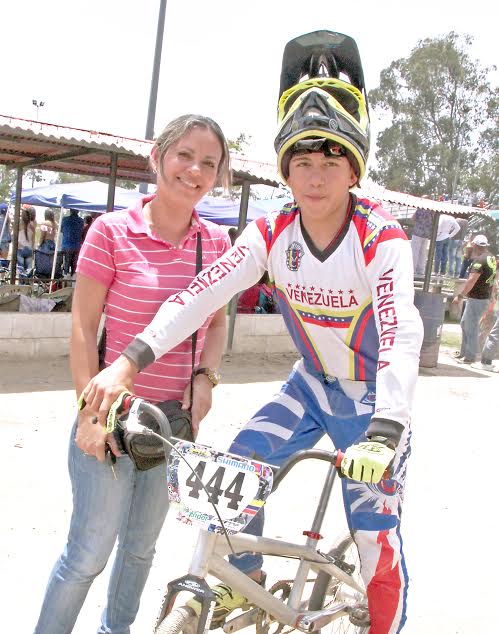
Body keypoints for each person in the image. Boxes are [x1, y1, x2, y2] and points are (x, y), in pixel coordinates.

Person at [81, 61, 424, 634]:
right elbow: (199, 296)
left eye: (331, 162)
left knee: (373, 534)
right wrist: (127, 361)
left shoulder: (378, 237)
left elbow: (400, 332)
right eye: (303, 164)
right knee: (237, 468)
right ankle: (249, 582)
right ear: (286, 172)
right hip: (311, 385)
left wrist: (387, 429)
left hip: (371, 402)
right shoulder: (270, 233)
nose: (316, 178)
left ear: (354, 170)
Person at [32, 114, 232, 634]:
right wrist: (89, 416)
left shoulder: (215, 244)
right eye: (184, 155)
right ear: (158, 157)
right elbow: (82, 330)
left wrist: (207, 377)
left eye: (208, 163)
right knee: (87, 555)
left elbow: (217, 324)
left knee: (140, 552)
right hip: (112, 418)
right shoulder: (111, 232)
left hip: (175, 426)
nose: (194, 170)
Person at [452, 235, 497, 364]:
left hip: (477, 298)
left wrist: (460, 296)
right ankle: (464, 353)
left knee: (470, 326)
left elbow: (471, 280)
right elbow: (493, 277)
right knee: (465, 324)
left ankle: (469, 356)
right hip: (483, 297)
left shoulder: (479, 261)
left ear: (476, 246)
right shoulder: (490, 258)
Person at [60, 208, 84, 276]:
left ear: (70, 211)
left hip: (66, 245)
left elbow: (61, 230)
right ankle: (73, 281)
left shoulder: (65, 219)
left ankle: (66, 280)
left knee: (66, 265)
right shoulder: (81, 221)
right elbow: (81, 232)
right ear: (78, 211)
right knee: (74, 266)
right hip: (77, 246)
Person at [410, 207, 433, 276]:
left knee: (414, 252)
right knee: (423, 253)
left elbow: (412, 218)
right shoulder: (432, 210)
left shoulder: (419, 209)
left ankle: (413, 269)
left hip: (417, 232)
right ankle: (421, 270)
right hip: (426, 234)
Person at [16, 204, 36, 271]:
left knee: (21, 269)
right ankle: (28, 281)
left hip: (20, 249)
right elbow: (33, 240)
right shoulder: (32, 227)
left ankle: (21, 281)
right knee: (28, 270)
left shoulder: (18, 225)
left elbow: (15, 239)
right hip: (29, 249)